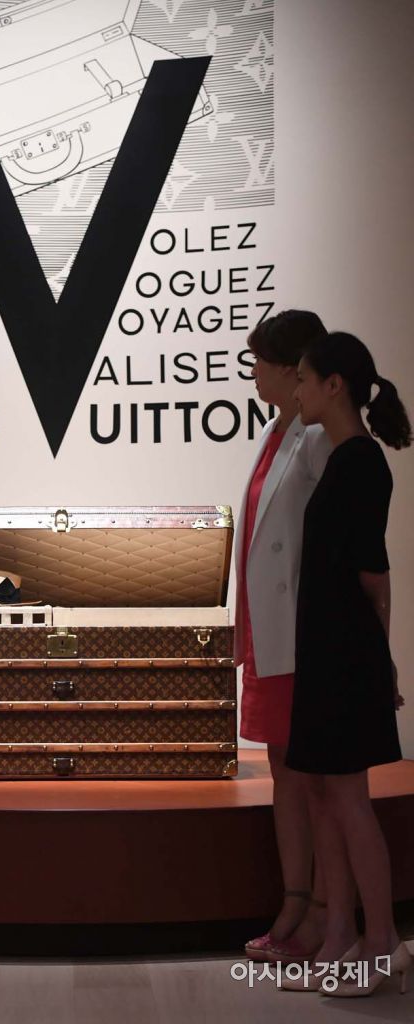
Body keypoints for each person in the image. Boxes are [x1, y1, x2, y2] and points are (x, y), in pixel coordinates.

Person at [281, 331, 411, 996]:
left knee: (349, 799)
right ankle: (340, 936)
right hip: (326, 649)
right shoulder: (342, 460)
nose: (296, 391)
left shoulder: (361, 463)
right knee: (325, 794)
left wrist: (381, 662)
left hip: (345, 652)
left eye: (303, 379)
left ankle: (383, 942)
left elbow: (373, 576)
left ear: (334, 386)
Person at [235, 310, 333, 964]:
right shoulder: (276, 433)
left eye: (259, 361)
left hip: (304, 639)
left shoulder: (318, 439)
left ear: (291, 368)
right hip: (270, 638)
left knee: (311, 779)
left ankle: (321, 914)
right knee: (284, 774)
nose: (252, 372)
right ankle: (296, 903)